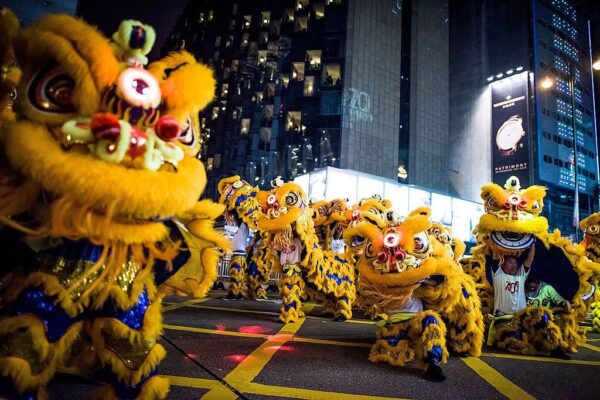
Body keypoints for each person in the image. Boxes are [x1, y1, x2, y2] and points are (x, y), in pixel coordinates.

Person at [492, 245, 535, 316]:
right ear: (503, 265)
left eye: (515, 262)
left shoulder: (521, 275)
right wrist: (495, 239)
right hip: (502, 318)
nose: (514, 265)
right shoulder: (498, 275)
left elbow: (530, 259)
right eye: (510, 262)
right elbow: (496, 256)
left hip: (521, 318)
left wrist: (532, 242)